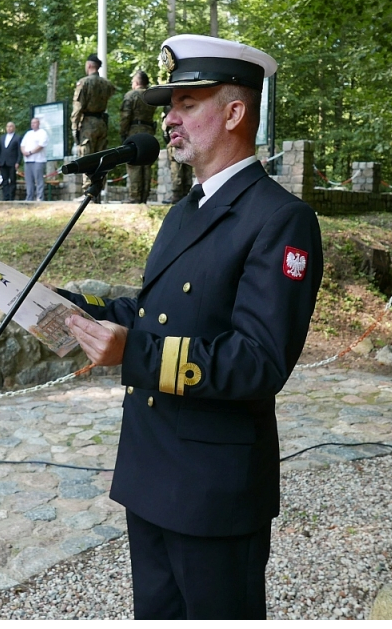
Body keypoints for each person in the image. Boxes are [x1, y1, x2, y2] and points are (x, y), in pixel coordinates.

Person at [62, 35, 323, 620]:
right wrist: (70, 306)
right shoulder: (186, 210)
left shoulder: (281, 220)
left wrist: (135, 355)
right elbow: (157, 315)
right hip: (150, 474)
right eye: (168, 107)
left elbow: (260, 360)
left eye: (185, 104)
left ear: (234, 112)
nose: (169, 120)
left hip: (212, 491)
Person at [71, 53, 116, 200]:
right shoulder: (107, 84)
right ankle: (98, 190)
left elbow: (78, 107)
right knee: (101, 158)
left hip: (88, 124)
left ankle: (87, 193)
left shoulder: (84, 83)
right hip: (102, 123)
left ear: (89, 65)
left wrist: (74, 126)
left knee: (87, 156)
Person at [120, 71, 158, 203]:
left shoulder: (131, 95)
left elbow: (125, 116)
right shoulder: (152, 96)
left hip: (134, 131)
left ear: (136, 83)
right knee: (146, 163)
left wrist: (123, 133)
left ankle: (134, 196)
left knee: (134, 162)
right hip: (148, 131)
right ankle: (144, 196)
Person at [162, 106, 194, 203]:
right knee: (187, 168)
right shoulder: (187, 110)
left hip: (176, 144)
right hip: (188, 142)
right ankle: (185, 194)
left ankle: (177, 196)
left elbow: (165, 131)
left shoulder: (169, 113)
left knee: (176, 170)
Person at [20, 117, 49, 202]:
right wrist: (24, 152)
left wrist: (30, 152)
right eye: (32, 123)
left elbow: (41, 145)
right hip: (28, 160)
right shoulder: (28, 133)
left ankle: (40, 197)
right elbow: (22, 145)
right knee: (29, 180)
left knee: (39, 179)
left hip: (38, 160)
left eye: (35, 123)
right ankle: (29, 197)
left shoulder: (43, 133)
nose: (33, 124)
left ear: (38, 123)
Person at [0, 121, 21, 201]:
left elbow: (19, 151)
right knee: (4, 180)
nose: (9, 128)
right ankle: (6, 197)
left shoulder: (17, 137)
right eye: (7, 126)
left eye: (11, 126)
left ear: (14, 128)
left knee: (12, 180)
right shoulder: (2, 137)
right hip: (3, 162)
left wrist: (18, 162)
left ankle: (11, 197)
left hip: (12, 162)